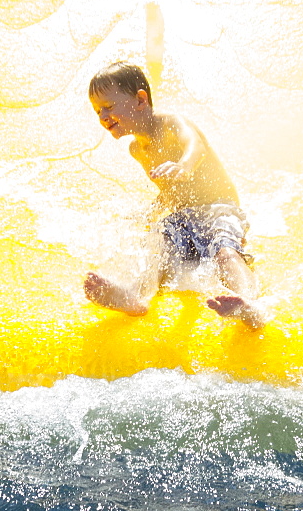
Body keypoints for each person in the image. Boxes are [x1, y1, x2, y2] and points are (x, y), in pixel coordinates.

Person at [84, 61, 266, 330]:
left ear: (140, 100)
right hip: (183, 217)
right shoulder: (137, 150)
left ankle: (250, 304)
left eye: (108, 107)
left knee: (226, 253)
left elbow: (196, 145)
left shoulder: (171, 123)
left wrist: (185, 166)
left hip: (218, 208)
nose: (103, 116)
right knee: (159, 251)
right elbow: (170, 193)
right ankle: (136, 296)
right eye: (98, 111)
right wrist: (149, 214)